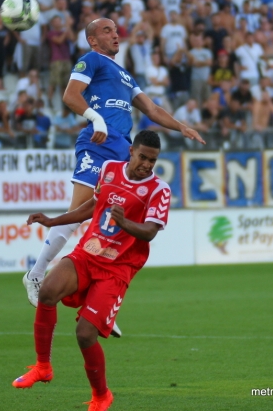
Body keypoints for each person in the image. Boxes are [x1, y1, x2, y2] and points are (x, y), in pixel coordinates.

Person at [22, 18, 205, 333]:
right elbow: (70, 95)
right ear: (93, 40)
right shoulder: (90, 60)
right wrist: (96, 119)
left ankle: (99, 299)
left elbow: (152, 109)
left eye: (116, 29)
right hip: (98, 142)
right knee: (79, 211)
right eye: (106, 30)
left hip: (123, 149)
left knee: (107, 224)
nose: (115, 33)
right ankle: (36, 274)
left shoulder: (124, 74)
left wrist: (181, 125)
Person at [13, 130, 171, 411]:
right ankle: (42, 367)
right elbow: (93, 205)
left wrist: (125, 225)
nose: (147, 164)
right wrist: (53, 221)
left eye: (153, 160)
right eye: (143, 157)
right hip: (88, 254)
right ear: (132, 151)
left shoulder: (159, 190)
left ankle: (101, 396)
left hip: (117, 269)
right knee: (47, 291)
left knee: (85, 334)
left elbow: (149, 232)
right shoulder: (109, 169)